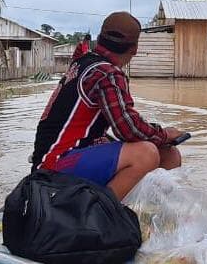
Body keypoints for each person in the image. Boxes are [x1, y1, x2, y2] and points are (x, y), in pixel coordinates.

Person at [31, 12, 184, 199]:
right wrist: (165, 133)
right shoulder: (107, 73)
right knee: (146, 154)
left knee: (169, 153)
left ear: (100, 39)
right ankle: (99, 213)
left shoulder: (84, 62)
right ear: (134, 49)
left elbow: (126, 124)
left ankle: (151, 209)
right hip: (54, 167)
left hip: (59, 158)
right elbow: (128, 129)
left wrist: (162, 139)